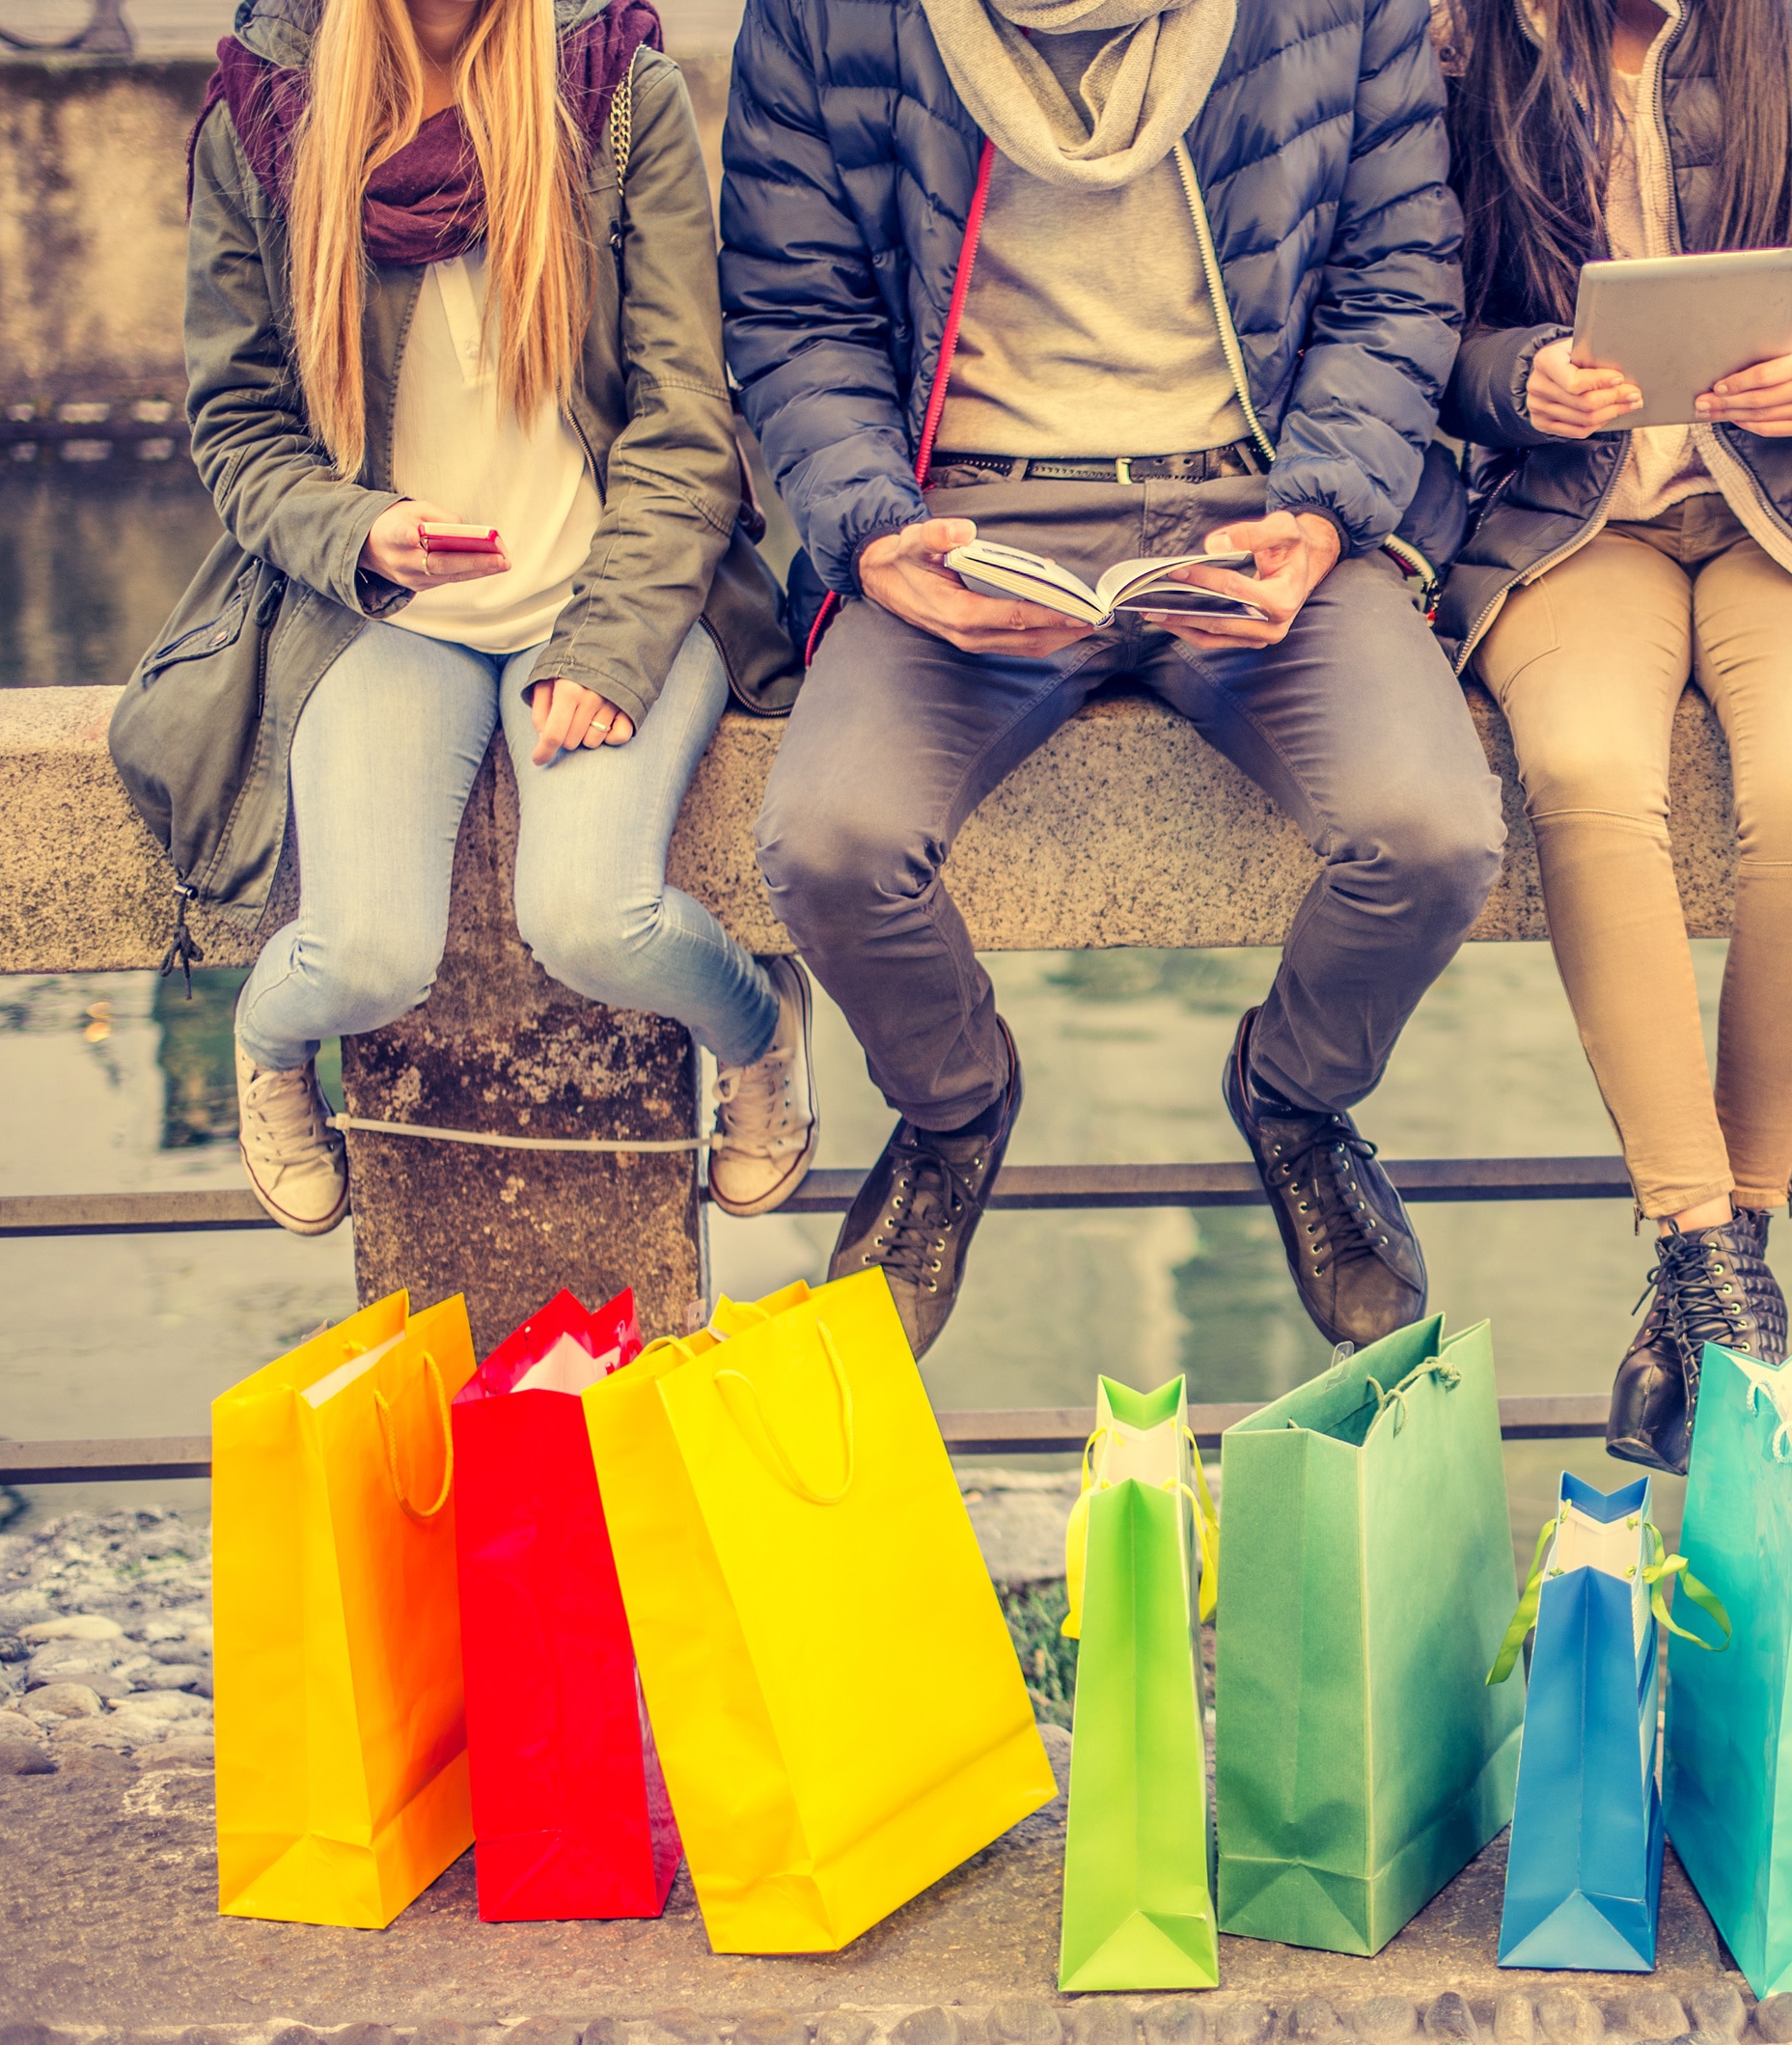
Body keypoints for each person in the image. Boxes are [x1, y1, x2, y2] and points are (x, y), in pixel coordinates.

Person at [720, 0, 1501, 1357]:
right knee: (830, 845)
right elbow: (796, 314)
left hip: (1257, 507)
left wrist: (1320, 512)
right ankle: (956, 1109)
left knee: (1433, 834)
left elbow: (1402, 280)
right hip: (959, 516)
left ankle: (1295, 1097)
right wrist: (871, 529)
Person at [1433, 0, 1792, 1469]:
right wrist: (1520, 380)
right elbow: (1414, 321)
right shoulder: (1466, 42)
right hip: (1571, 521)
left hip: (1789, 513)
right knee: (1584, 771)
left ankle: (1713, 1257)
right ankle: (1716, 1264)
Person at [148, 0, 813, 1241]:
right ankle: (264, 1036)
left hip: (615, 584)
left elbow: (686, 420)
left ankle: (760, 1027)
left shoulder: (613, 90)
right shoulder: (265, 114)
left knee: (593, 920)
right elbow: (237, 427)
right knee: (361, 957)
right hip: (389, 614)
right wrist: (356, 534)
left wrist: (611, 645)